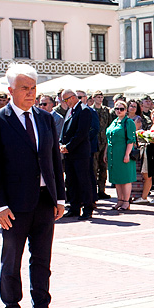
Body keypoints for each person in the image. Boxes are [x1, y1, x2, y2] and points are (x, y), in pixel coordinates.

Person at [0, 64, 67, 308]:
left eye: (33, 88)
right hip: (13, 205)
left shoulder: (45, 119)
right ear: (10, 91)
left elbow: (54, 160)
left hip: (44, 201)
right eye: (24, 89)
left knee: (42, 258)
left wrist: (60, 198)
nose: (30, 94)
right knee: (11, 260)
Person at [59, 89, 98, 219]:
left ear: (72, 98)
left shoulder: (84, 110)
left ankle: (88, 208)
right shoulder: (71, 111)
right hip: (70, 152)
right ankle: (74, 207)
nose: (65, 103)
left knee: (83, 181)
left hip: (80, 152)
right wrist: (61, 144)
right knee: (71, 181)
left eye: (65, 100)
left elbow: (82, 133)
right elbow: (65, 129)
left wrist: (68, 146)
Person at [106, 99, 137, 210]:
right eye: (117, 109)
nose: (119, 111)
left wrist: (127, 154)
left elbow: (131, 140)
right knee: (117, 179)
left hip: (123, 152)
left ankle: (126, 201)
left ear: (126, 110)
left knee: (125, 178)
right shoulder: (114, 121)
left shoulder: (128, 122)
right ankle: (119, 200)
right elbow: (109, 138)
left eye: (121, 109)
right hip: (113, 154)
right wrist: (106, 153)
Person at [136, 107, 154, 204]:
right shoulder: (149, 126)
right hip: (148, 152)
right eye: (153, 115)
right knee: (147, 175)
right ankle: (144, 197)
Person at [91, 91, 112, 200]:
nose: (100, 99)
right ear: (93, 98)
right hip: (94, 143)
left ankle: (102, 190)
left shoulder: (106, 111)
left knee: (103, 168)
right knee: (93, 168)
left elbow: (109, 125)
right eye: (98, 97)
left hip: (104, 142)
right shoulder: (90, 110)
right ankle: (93, 190)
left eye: (101, 97)